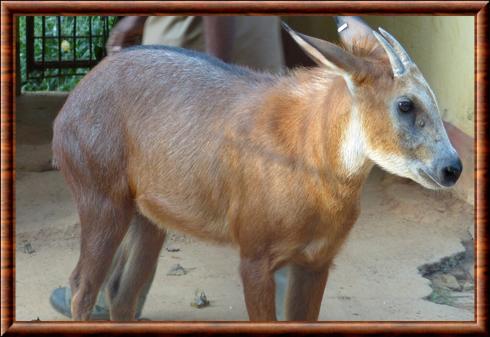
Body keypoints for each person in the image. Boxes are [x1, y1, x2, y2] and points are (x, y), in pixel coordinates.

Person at [50, 15, 287, 320]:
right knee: (148, 205)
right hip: (223, 73)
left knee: (275, 210)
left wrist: (217, 87)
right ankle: (109, 303)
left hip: (204, 77)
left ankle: (109, 300)